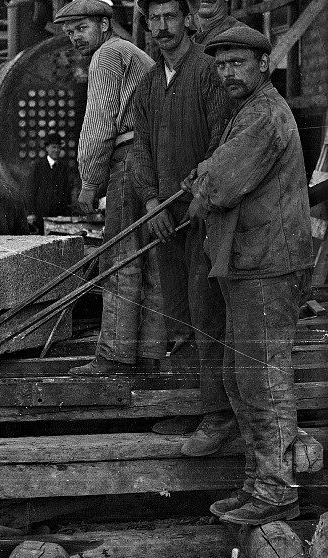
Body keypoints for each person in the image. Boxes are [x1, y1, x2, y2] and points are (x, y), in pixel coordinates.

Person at [190, 26, 313, 525]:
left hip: (268, 263)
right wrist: (200, 177)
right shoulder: (247, 111)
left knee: (262, 378)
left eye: (238, 63)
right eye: (221, 65)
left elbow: (221, 183)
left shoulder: (264, 113)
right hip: (246, 261)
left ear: (263, 64)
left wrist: (200, 186)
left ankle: (279, 490)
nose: (228, 73)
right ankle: (257, 484)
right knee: (241, 379)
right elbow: (215, 168)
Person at [131, 0, 235, 451]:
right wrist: (153, 202)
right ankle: (193, 407)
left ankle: (218, 415)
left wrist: (199, 197)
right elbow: (141, 150)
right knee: (178, 314)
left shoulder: (208, 73)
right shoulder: (149, 84)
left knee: (207, 313)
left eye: (171, 17)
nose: (162, 27)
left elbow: (221, 140)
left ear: (188, 20)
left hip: (205, 216)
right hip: (167, 219)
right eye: (154, 19)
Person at [56, 0, 165, 375]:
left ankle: (114, 357)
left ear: (104, 24)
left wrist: (89, 181)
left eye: (81, 27)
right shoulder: (130, 53)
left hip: (129, 158)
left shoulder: (107, 56)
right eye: (69, 32)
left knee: (118, 258)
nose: (74, 37)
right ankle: (150, 356)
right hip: (150, 156)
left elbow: (100, 123)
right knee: (149, 259)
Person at [24, 135, 76, 233]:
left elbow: (66, 192)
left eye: (58, 147)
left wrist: (66, 213)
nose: (56, 150)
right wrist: (31, 213)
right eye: (53, 147)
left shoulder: (63, 168)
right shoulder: (38, 167)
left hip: (59, 217)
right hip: (40, 216)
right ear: (47, 148)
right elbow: (31, 190)